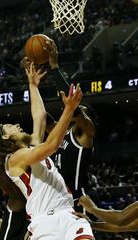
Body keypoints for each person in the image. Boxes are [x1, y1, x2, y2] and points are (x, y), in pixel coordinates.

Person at [0, 63, 94, 240]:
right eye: (10, 127)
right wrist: (69, 110)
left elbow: (39, 117)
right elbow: (51, 146)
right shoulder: (14, 160)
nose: (16, 125)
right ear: (6, 138)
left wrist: (33, 85)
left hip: (69, 213)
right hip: (44, 220)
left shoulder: (32, 146)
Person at [44, 39, 96, 203]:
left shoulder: (86, 133)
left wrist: (54, 68)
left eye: (82, 112)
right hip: (55, 201)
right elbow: (41, 116)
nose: (79, 113)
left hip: (76, 200)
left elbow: (74, 104)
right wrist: (32, 81)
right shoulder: (60, 132)